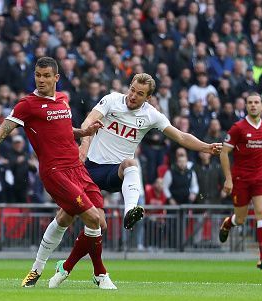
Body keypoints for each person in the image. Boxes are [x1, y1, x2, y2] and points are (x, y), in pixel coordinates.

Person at [22, 73, 223, 288]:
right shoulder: (111, 100)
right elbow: (89, 121)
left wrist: (205, 146)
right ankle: (48, 267)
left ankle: (130, 212)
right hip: (89, 169)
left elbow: (181, 136)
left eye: (140, 94)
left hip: (114, 173)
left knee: (130, 163)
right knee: (72, 219)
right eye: (132, 90)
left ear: (148, 98)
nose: (133, 96)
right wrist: (84, 144)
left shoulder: (151, 115)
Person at [0, 57, 105, 290]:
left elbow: (62, 130)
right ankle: (100, 274)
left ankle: (38, 269)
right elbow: (2, 131)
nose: (41, 80)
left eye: (46, 76)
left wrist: (83, 131)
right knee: (92, 218)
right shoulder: (27, 105)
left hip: (76, 168)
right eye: (38, 75)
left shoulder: (63, 99)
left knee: (80, 219)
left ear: (56, 78)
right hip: (55, 172)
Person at [219, 92, 262, 271]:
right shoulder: (237, 128)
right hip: (241, 179)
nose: (253, 105)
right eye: (250, 102)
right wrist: (228, 179)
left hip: (261, 178)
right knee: (240, 219)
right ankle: (228, 223)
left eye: (257, 102)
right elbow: (224, 152)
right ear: (246, 106)